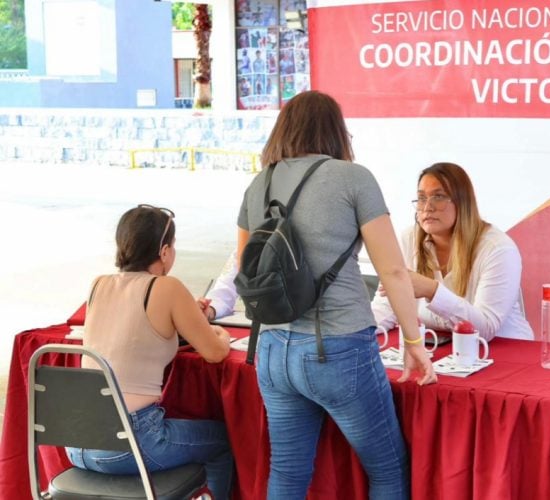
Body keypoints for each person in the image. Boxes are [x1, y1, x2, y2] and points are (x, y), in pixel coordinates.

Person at [237, 90, 436, 498]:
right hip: (338, 347)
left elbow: (247, 270)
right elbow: (394, 271)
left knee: (288, 470)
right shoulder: (353, 178)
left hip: (272, 348)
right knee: (387, 468)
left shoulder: (259, 183)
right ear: (335, 132)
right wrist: (414, 342)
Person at [66, 205, 234, 499]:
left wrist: (186, 316)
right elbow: (215, 352)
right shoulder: (167, 287)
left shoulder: (99, 284)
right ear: (165, 251)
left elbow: (132, 331)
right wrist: (219, 332)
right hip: (130, 443)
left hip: (76, 440)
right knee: (221, 442)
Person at [371, 162, 534, 342]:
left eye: (438, 197)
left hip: (506, 350)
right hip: (441, 349)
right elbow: (385, 309)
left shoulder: (498, 249)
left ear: (462, 202)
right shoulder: (408, 238)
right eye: (422, 198)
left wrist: (432, 291)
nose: (427, 208)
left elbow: (485, 329)